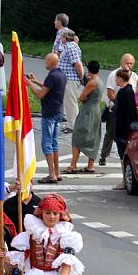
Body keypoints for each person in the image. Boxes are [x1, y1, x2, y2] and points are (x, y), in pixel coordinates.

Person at [26, 53, 66, 184]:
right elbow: (49, 88)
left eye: (46, 61)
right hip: (58, 112)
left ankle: (51, 174)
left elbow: (41, 94)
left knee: (47, 143)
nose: (44, 63)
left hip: (49, 113)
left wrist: (29, 84)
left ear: (50, 61)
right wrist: (35, 80)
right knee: (54, 143)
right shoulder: (61, 74)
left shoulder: (52, 76)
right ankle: (57, 172)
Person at [64, 60, 104, 175]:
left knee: (77, 136)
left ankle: (73, 165)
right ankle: (90, 165)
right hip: (96, 111)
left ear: (89, 70)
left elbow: (81, 97)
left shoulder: (92, 83)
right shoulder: (100, 82)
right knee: (93, 136)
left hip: (87, 111)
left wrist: (85, 96)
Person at [99, 53, 138, 166]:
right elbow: (110, 92)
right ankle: (103, 155)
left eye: (131, 63)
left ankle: (128, 157)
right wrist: (118, 103)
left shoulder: (134, 76)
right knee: (110, 133)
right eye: (127, 63)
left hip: (127, 111)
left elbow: (135, 94)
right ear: (122, 63)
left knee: (127, 135)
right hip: (115, 109)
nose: (129, 65)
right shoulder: (114, 74)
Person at [112, 68, 138, 190]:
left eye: (116, 78)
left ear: (121, 78)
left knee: (123, 156)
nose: (115, 80)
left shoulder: (123, 92)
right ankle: (125, 180)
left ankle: (124, 181)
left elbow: (122, 112)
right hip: (128, 129)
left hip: (123, 130)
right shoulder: (129, 90)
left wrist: (112, 107)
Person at [59, 29, 84, 134]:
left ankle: (73, 126)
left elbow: (77, 64)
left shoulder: (70, 47)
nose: (60, 38)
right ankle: (70, 124)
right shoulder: (69, 46)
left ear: (66, 38)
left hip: (71, 79)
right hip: (68, 79)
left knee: (71, 103)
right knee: (68, 103)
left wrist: (81, 77)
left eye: (62, 36)